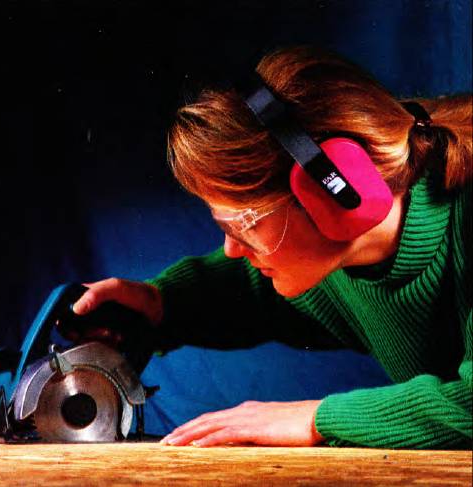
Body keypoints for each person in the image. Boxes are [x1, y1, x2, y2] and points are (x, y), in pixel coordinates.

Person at [69, 46, 472, 449]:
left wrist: (318, 419)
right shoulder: (334, 255)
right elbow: (250, 290)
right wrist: (160, 303)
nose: (231, 249)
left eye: (242, 225)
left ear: (335, 195)